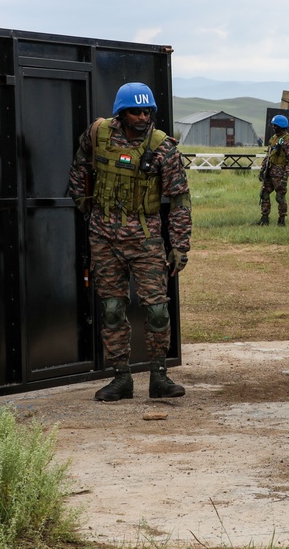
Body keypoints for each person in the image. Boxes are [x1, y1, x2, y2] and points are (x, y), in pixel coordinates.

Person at [68, 82, 192, 401]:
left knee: (157, 311)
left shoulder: (163, 145)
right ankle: (120, 378)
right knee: (111, 308)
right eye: (135, 111)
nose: (142, 116)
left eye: (147, 111)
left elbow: (179, 199)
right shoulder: (98, 133)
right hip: (104, 236)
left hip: (146, 238)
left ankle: (159, 376)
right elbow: (81, 163)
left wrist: (179, 245)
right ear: (121, 114)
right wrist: (82, 199)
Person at [258, 114, 289, 226]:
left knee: (280, 197)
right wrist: (262, 169)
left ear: (281, 126)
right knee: (264, 194)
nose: (273, 127)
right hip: (269, 172)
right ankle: (264, 218)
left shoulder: (288, 141)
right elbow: (269, 155)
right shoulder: (274, 139)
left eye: (275, 125)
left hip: (280, 174)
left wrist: (285, 178)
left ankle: (281, 220)